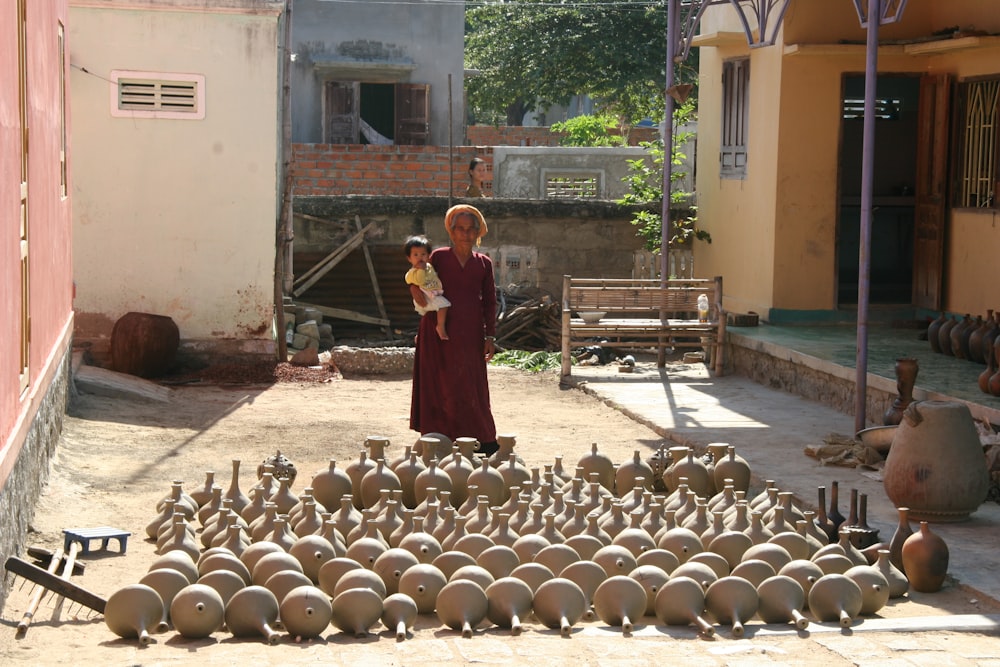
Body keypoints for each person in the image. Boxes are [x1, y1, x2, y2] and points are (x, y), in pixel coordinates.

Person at [410, 204, 499, 456]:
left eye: (471, 229)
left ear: (478, 231)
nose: (465, 234)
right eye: (460, 229)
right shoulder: (437, 257)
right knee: (438, 384)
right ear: (451, 230)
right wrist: (415, 294)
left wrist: (490, 336)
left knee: (471, 385)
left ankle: (481, 441)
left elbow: (490, 301)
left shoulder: (484, 263)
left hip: (471, 333)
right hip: (437, 332)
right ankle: (437, 440)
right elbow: (418, 280)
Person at [404, 236, 450, 340]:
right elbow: (419, 281)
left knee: (427, 318)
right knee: (444, 305)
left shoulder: (429, 266)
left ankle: (420, 333)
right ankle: (440, 326)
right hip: (425, 296)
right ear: (409, 258)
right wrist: (420, 270)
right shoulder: (412, 272)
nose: (420, 257)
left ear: (429, 255)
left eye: (423, 254)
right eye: (415, 255)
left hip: (432, 294)